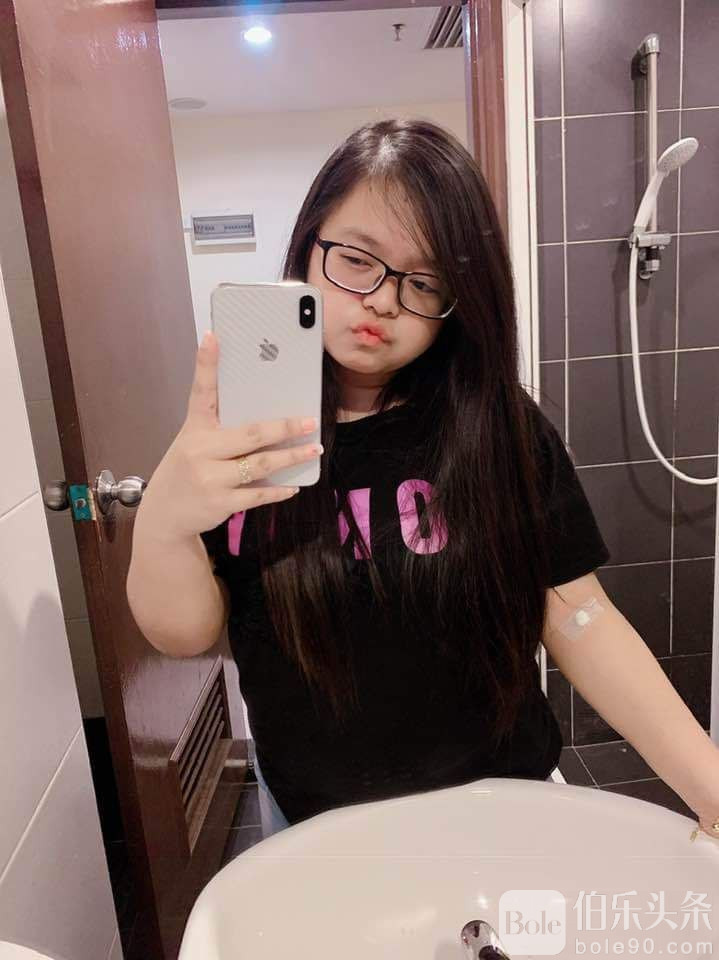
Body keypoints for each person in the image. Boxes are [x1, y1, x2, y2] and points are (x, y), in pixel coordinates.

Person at [127, 117, 612, 839]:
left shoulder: (500, 429)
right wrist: (163, 519)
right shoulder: (238, 437)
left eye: (425, 281)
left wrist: (706, 782)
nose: (383, 299)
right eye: (357, 260)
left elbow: (579, 615)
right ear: (308, 247)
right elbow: (185, 633)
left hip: (503, 805)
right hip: (314, 823)